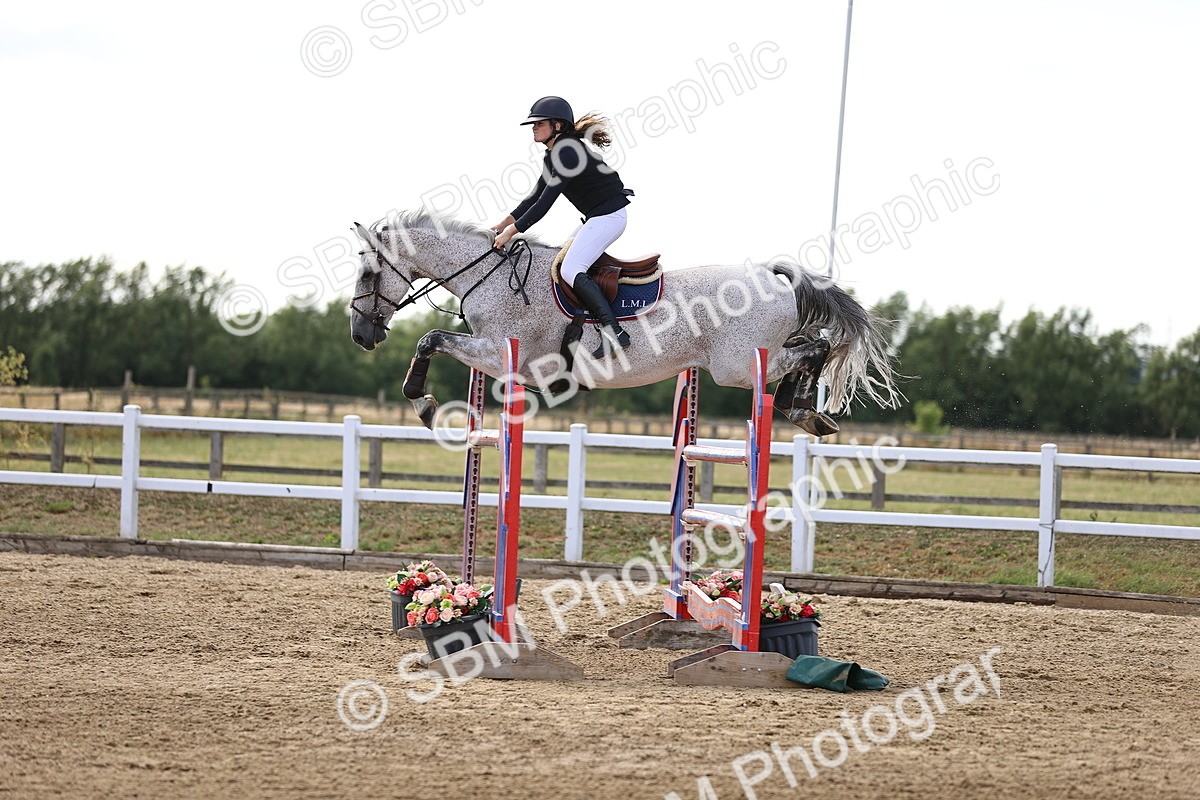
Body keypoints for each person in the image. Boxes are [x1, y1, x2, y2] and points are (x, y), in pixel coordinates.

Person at [492, 96, 634, 358]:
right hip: (598, 217)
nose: (534, 128)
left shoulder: (568, 152)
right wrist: (501, 225)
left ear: (557, 126)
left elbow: (544, 204)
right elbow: (533, 197)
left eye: (539, 123)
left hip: (609, 217)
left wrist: (511, 232)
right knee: (558, 260)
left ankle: (614, 332)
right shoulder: (555, 154)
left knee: (570, 268)